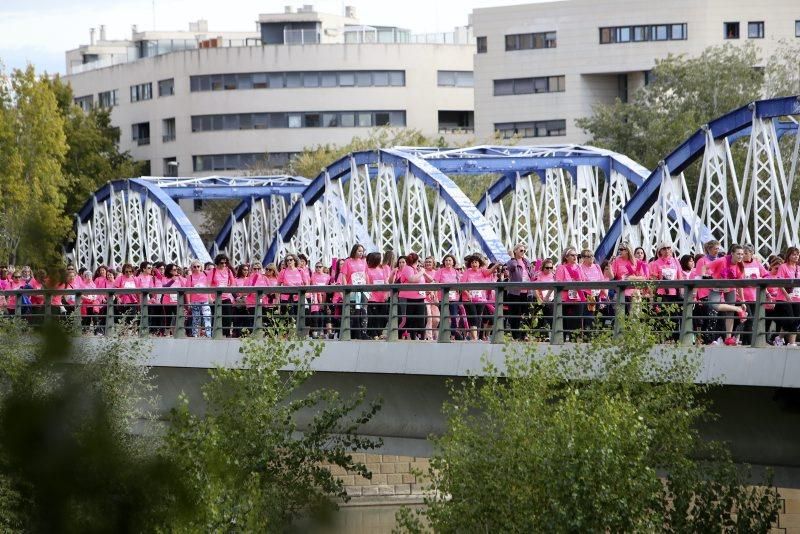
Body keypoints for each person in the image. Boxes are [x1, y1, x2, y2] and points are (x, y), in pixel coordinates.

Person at [703, 244, 749, 346]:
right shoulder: (722, 260)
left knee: (730, 312)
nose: (740, 256)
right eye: (738, 254)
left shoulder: (740, 266)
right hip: (716, 286)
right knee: (713, 305)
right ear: (732, 253)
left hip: (730, 288)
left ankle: (728, 338)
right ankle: (737, 309)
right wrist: (705, 276)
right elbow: (705, 267)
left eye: (742, 254)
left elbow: (740, 284)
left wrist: (742, 300)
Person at [649, 242, 684, 340]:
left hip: (675, 293)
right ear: (660, 251)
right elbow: (653, 279)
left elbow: (680, 277)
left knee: (675, 316)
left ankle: (676, 338)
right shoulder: (656, 263)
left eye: (668, 248)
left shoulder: (676, 261)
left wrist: (681, 291)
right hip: (662, 293)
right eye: (664, 248)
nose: (667, 250)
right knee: (663, 315)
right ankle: (664, 339)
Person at [396, 252, 433, 340]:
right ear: (417, 260)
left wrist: (423, 272)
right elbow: (412, 279)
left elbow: (430, 280)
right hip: (407, 298)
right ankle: (398, 336)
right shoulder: (407, 268)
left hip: (420, 298)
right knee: (406, 320)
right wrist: (421, 272)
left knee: (421, 320)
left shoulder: (418, 270)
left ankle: (422, 338)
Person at [555, 247, 587, 338]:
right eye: (572, 255)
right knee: (564, 322)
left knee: (576, 322)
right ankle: (562, 341)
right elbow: (559, 283)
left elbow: (583, 281)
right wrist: (571, 285)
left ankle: (575, 341)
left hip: (577, 298)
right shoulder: (561, 268)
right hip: (565, 299)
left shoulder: (578, 268)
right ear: (566, 257)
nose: (575, 257)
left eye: (576, 255)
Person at [504, 243, 534, 340]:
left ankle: (524, 334)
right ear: (515, 251)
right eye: (521, 250)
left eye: (524, 251)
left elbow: (531, 274)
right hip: (515, 292)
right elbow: (512, 267)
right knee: (515, 314)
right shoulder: (511, 261)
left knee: (526, 314)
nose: (523, 252)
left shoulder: (526, 262)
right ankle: (515, 335)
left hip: (526, 292)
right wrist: (513, 257)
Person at [434, 254, 462, 340]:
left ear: (453, 262)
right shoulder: (440, 271)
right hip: (442, 298)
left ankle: (453, 335)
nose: (448, 262)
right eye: (446, 260)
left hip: (454, 298)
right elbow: (436, 284)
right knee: (444, 317)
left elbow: (459, 285)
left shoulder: (456, 272)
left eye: (450, 260)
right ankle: (443, 335)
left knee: (453, 316)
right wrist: (435, 297)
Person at [208, 254, 236, 337]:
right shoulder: (212, 271)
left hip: (226, 297)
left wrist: (229, 288)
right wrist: (209, 298)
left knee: (228, 316)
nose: (224, 265)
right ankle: (216, 334)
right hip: (215, 298)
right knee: (216, 316)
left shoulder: (228, 271)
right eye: (221, 263)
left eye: (225, 263)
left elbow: (233, 283)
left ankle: (226, 334)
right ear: (217, 262)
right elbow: (208, 285)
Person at [365, 252, 389, 339]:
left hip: (382, 297)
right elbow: (367, 283)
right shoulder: (367, 270)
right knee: (373, 317)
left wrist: (386, 293)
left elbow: (386, 282)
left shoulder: (382, 270)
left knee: (382, 316)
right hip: (372, 297)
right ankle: (374, 334)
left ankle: (379, 332)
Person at [185, 260, 211, 337]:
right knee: (196, 318)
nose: (196, 268)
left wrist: (210, 297)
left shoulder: (206, 274)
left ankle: (209, 334)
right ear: (192, 268)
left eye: (198, 266)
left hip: (205, 299)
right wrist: (188, 302)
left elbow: (210, 285)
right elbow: (187, 291)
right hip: (195, 301)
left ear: (201, 267)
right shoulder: (190, 277)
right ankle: (195, 334)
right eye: (194, 266)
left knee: (207, 317)